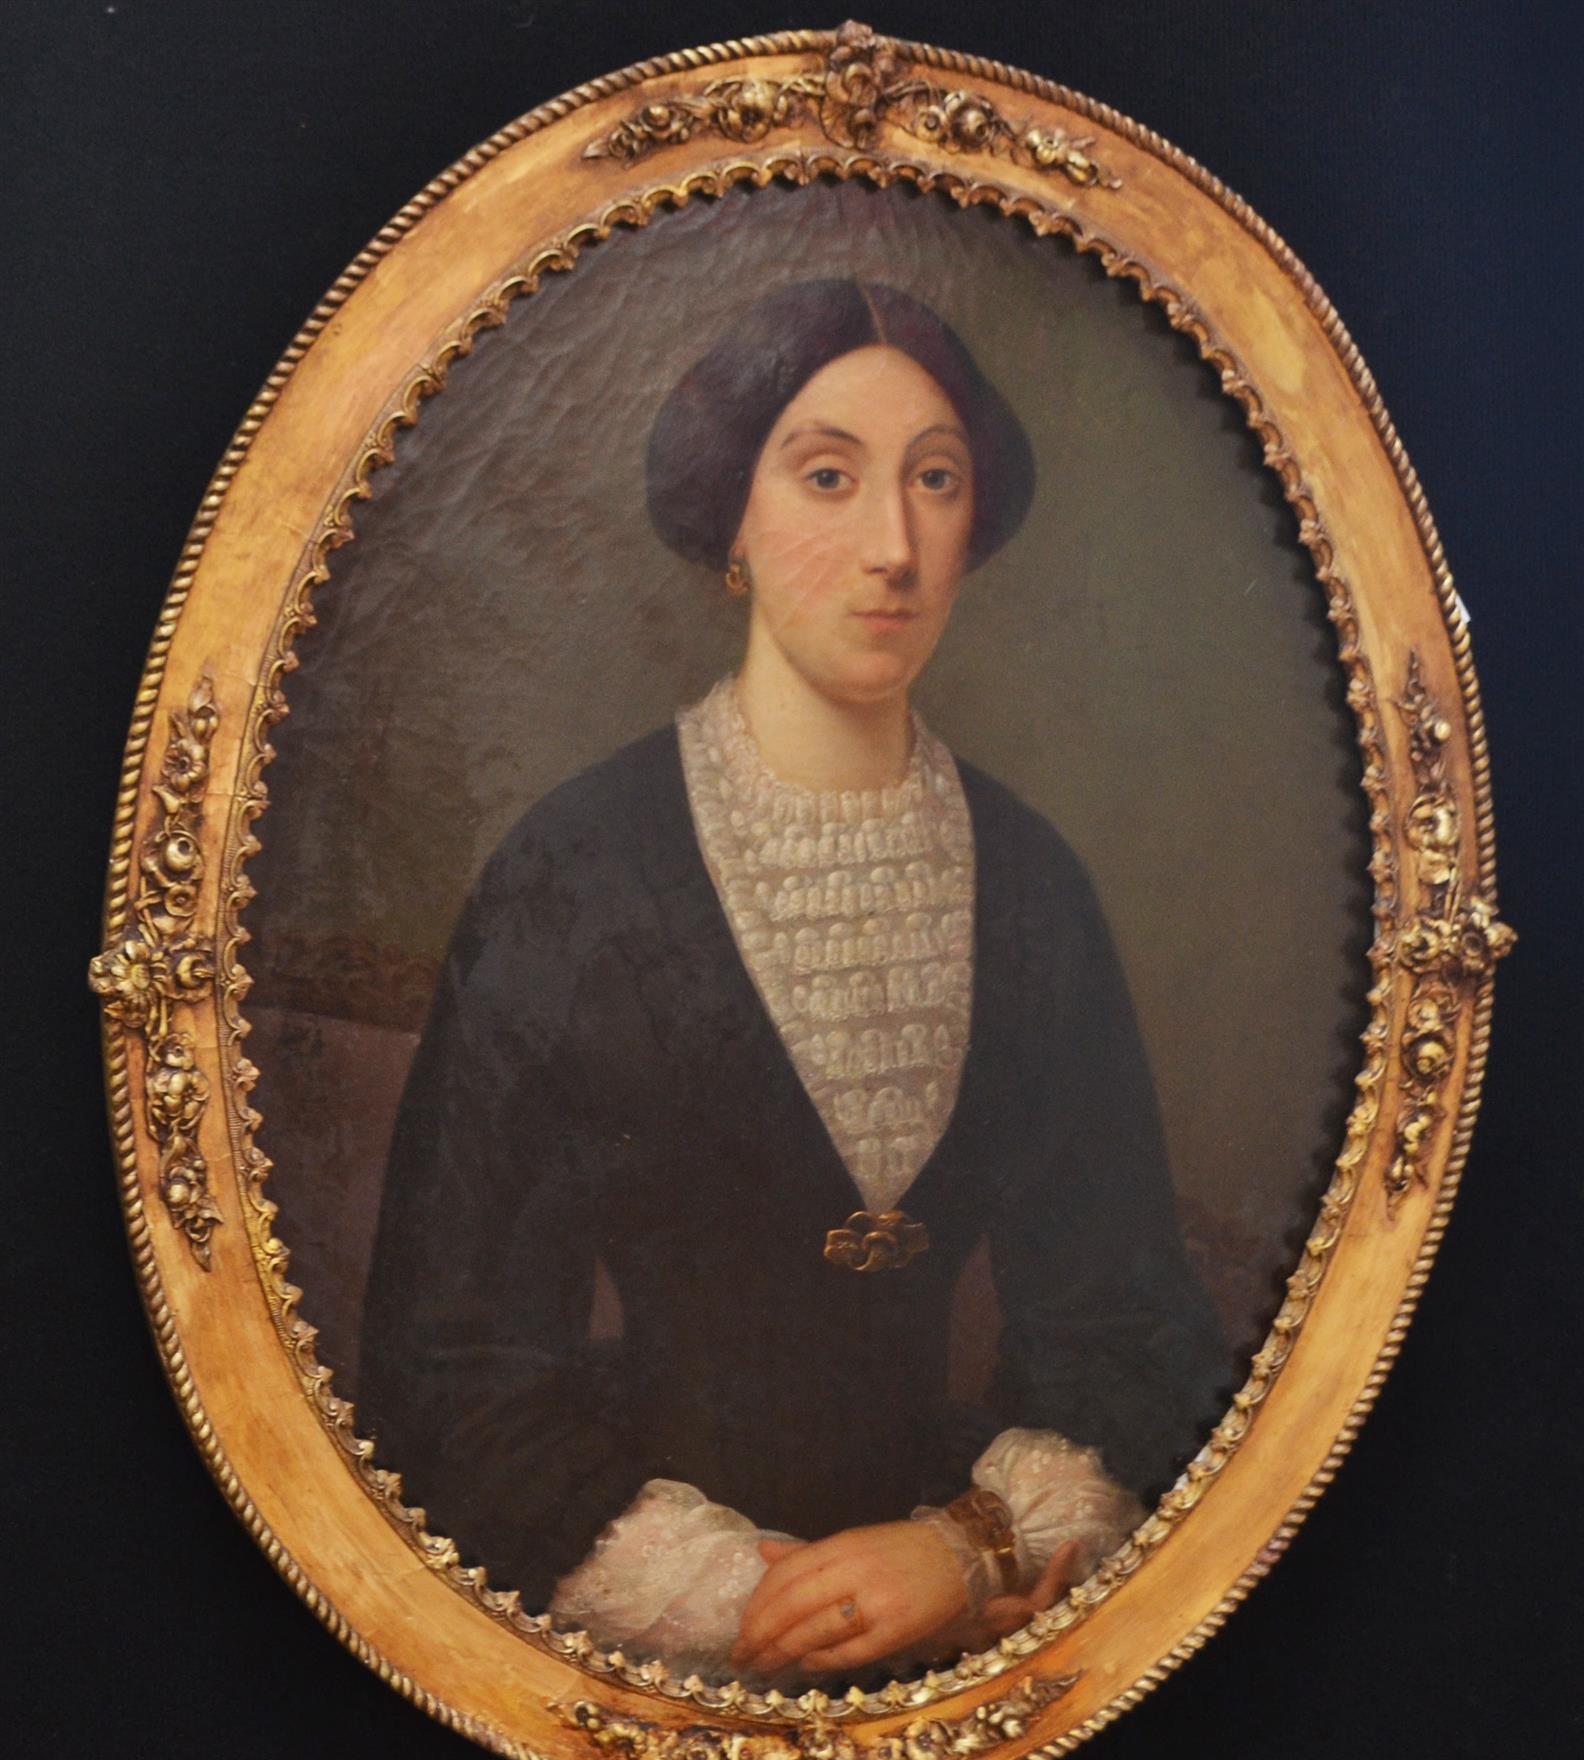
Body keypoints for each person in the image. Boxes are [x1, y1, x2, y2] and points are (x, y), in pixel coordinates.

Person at [358, 278, 1230, 1685]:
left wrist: (963, 1549)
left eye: (934, 481)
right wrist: (757, 1597)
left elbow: (1127, 1332)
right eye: (828, 476)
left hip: (981, 1621)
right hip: (638, 1620)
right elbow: (452, 1370)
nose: (892, 546)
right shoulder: (574, 870)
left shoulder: (1033, 883)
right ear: (733, 522)